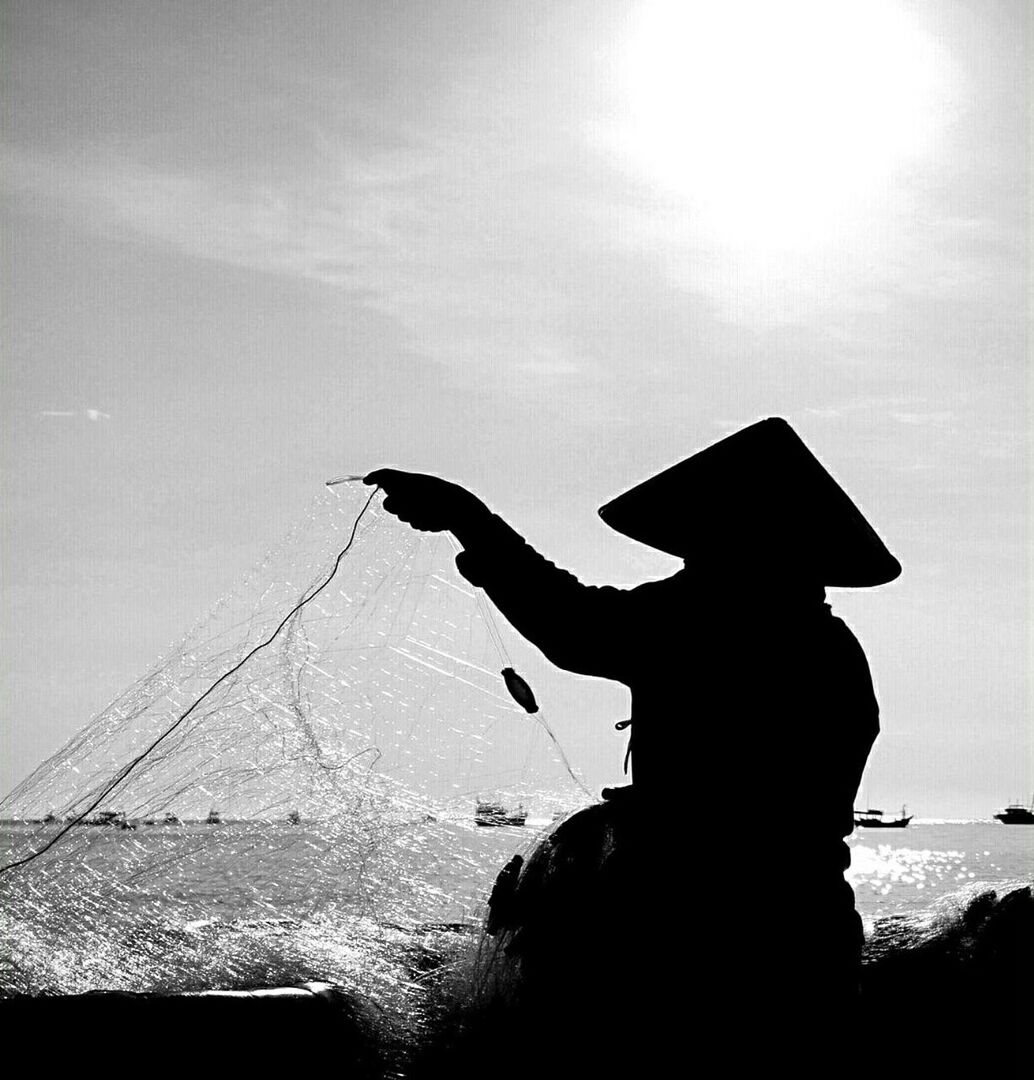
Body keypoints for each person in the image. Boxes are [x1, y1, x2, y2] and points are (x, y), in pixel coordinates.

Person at [366, 417, 900, 1070]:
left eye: (703, 540)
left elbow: (573, 624)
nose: (684, 563)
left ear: (743, 538)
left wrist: (469, 518)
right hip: (809, 952)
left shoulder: (714, 622)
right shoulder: (832, 649)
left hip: (694, 964)